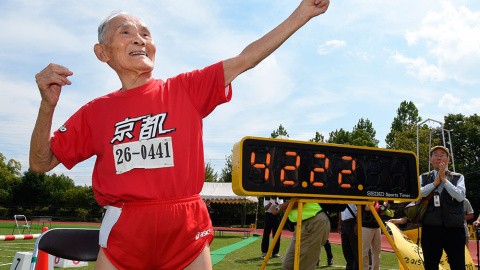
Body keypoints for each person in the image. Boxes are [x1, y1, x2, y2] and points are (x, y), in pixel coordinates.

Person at [29, 1, 330, 269]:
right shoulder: (94, 113)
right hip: (124, 229)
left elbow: (246, 58)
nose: (139, 39)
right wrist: (47, 106)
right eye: (125, 32)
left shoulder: (184, 89)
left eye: (146, 33)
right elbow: (41, 162)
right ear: (102, 52)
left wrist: (301, 13)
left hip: (186, 226)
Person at [420, 146, 466, 270]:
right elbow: (417, 195)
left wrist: (444, 180)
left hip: (454, 229)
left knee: (458, 265)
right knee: (430, 265)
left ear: (448, 160)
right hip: (430, 229)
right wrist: (434, 183)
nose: (439, 157)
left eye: (442, 155)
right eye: (435, 155)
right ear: (430, 160)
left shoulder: (458, 177)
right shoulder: (423, 177)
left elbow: (460, 196)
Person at [272, 201, 330, 270]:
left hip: (312, 222)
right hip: (302, 225)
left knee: (304, 267)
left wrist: (279, 208)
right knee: (289, 265)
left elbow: (301, 198)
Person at [361, 202, 384, 270]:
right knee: (364, 251)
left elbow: (386, 206)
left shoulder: (377, 198)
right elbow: (367, 208)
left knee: (377, 251)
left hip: (377, 227)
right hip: (366, 227)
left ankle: (376, 268)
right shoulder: (363, 197)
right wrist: (377, 203)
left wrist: (384, 205)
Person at [338, 204, 358, 270]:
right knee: (346, 248)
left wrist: (357, 224)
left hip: (352, 222)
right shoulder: (342, 198)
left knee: (355, 249)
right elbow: (340, 211)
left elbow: (359, 210)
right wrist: (340, 224)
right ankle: (349, 267)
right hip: (344, 223)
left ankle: (356, 267)